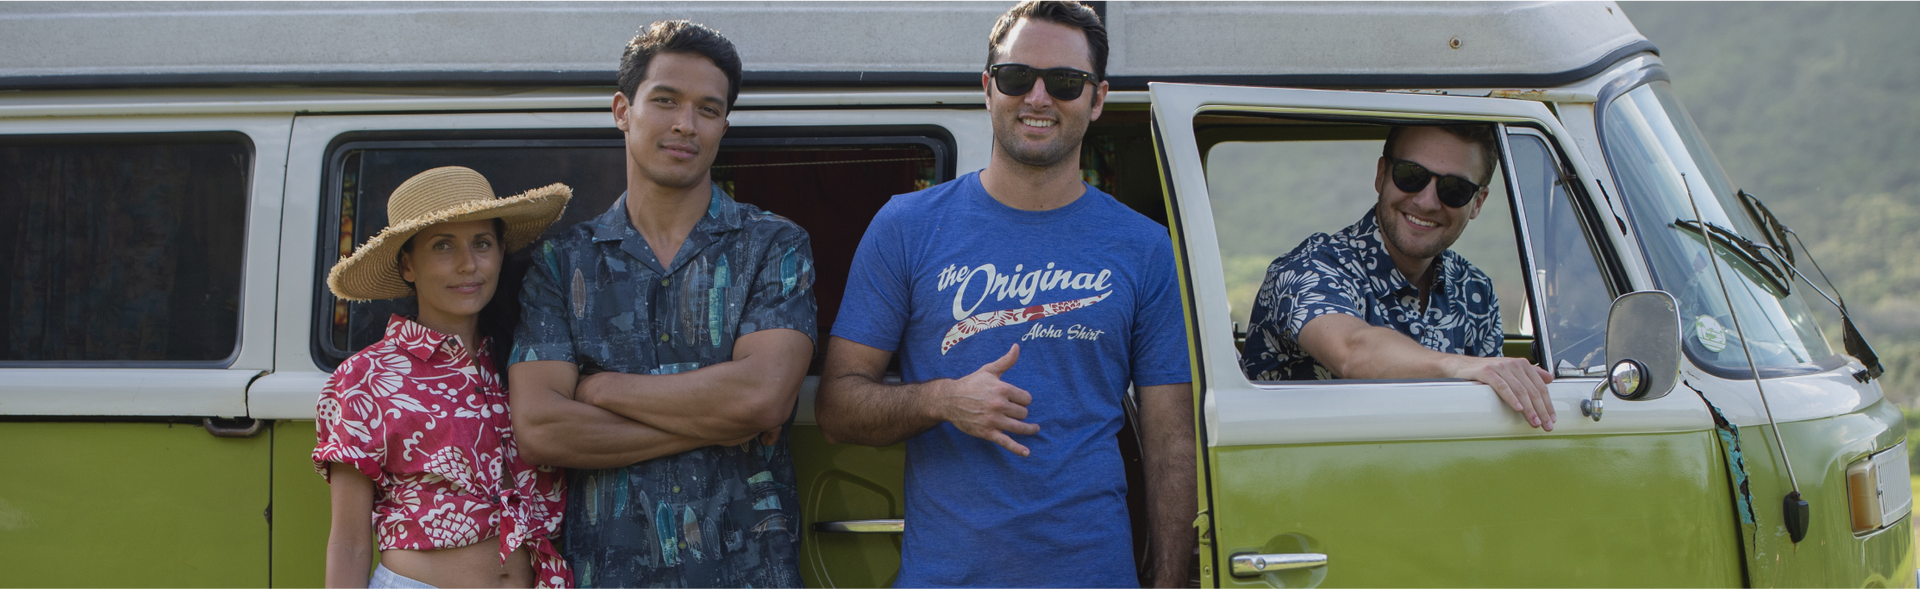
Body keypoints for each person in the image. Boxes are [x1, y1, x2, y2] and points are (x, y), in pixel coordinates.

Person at [814, 1, 1197, 588]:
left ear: (1097, 100)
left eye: (1066, 82)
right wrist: (941, 400)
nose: (1039, 98)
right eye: (1019, 77)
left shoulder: (1145, 248)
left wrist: (1171, 581)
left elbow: (1172, 439)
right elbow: (837, 408)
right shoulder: (906, 228)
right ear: (989, 88)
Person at [505, 20, 815, 589]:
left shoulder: (774, 244)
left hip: (747, 573)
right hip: (608, 573)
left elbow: (762, 397)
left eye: (708, 109)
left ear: (724, 124)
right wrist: (721, 422)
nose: (685, 125)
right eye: (666, 100)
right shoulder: (561, 262)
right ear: (623, 110)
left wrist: (599, 389)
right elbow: (542, 429)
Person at [315, 166, 572, 589]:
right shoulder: (365, 377)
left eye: (482, 244)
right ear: (408, 265)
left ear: (501, 252)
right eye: (442, 246)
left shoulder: (527, 365)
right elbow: (349, 542)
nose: (468, 264)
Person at [1239, 125, 1558, 430]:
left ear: (1477, 203)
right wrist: (1458, 365)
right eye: (1411, 176)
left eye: (1454, 189)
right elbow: (1352, 352)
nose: (1426, 201)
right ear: (1381, 175)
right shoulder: (1308, 268)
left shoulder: (1475, 289)